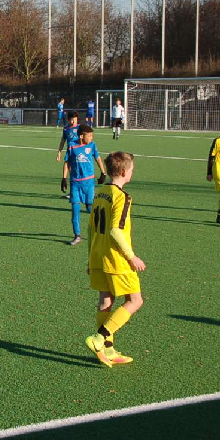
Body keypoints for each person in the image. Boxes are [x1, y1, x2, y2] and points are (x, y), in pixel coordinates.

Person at [84, 151, 146, 367]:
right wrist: (132, 257)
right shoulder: (122, 197)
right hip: (116, 258)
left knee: (106, 300)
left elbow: (90, 228)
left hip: (97, 255)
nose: (132, 172)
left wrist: (89, 258)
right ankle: (98, 339)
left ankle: (108, 350)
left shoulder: (100, 193)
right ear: (124, 172)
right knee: (135, 300)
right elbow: (115, 231)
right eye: (132, 169)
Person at [61, 124, 106, 246]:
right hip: (75, 182)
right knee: (75, 210)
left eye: (92, 135)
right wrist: (64, 178)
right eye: (89, 135)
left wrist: (103, 173)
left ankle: (101, 231)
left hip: (88, 182)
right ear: (81, 136)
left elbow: (98, 159)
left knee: (90, 208)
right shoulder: (72, 146)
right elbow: (67, 162)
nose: (91, 137)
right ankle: (77, 236)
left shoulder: (92, 145)